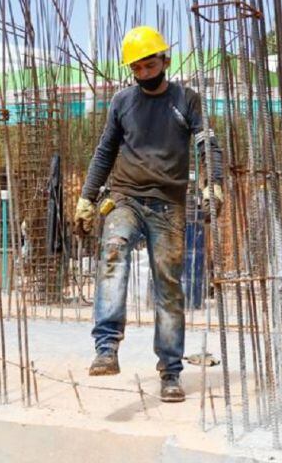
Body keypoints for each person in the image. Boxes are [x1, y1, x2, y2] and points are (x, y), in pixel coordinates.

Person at [75, 25, 223, 403]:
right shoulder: (122, 102)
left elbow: (207, 142)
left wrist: (212, 182)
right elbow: (104, 151)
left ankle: (171, 372)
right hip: (125, 197)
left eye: (149, 64)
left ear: (164, 61)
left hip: (168, 205)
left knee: (168, 286)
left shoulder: (186, 100)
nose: (143, 72)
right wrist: (87, 197)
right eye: (136, 68)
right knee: (113, 251)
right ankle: (106, 348)